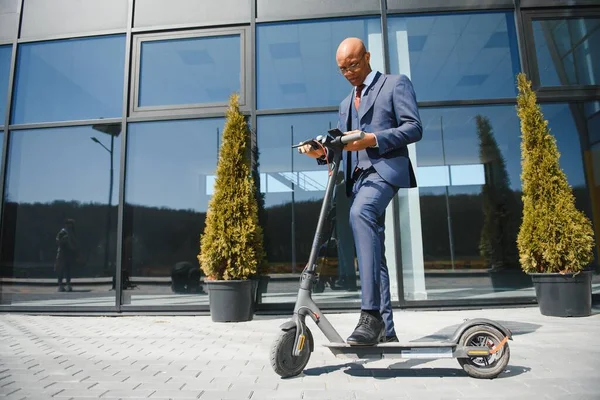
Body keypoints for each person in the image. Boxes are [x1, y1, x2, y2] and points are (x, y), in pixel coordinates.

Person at [299, 37, 422, 346]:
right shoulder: (344, 104)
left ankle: (370, 315)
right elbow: (343, 148)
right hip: (358, 179)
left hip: (385, 172)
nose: (349, 72)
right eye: (342, 69)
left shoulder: (395, 85)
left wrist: (373, 139)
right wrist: (320, 154)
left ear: (367, 56)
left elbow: (414, 127)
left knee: (361, 213)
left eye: (353, 65)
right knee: (373, 251)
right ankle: (387, 331)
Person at [55, 218, 78, 292]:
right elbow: (58, 241)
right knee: (60, 270)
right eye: (68, 224)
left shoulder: (73, 233)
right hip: (62, 253)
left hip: (70, 253)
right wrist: (64, 240)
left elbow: (76, 242)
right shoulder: (62, 232)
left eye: (71, 225)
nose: (70, 226)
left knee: (68, 270)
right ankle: (60, 285)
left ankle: (68, 284)